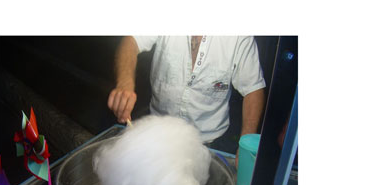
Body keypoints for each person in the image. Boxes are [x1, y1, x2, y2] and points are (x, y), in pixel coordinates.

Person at [107, 36, 266, 150]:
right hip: (158, 133)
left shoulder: (240, 36)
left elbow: (253, 89)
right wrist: (124, 83)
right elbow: (131, 41)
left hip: (209, 143)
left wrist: (246, 146)